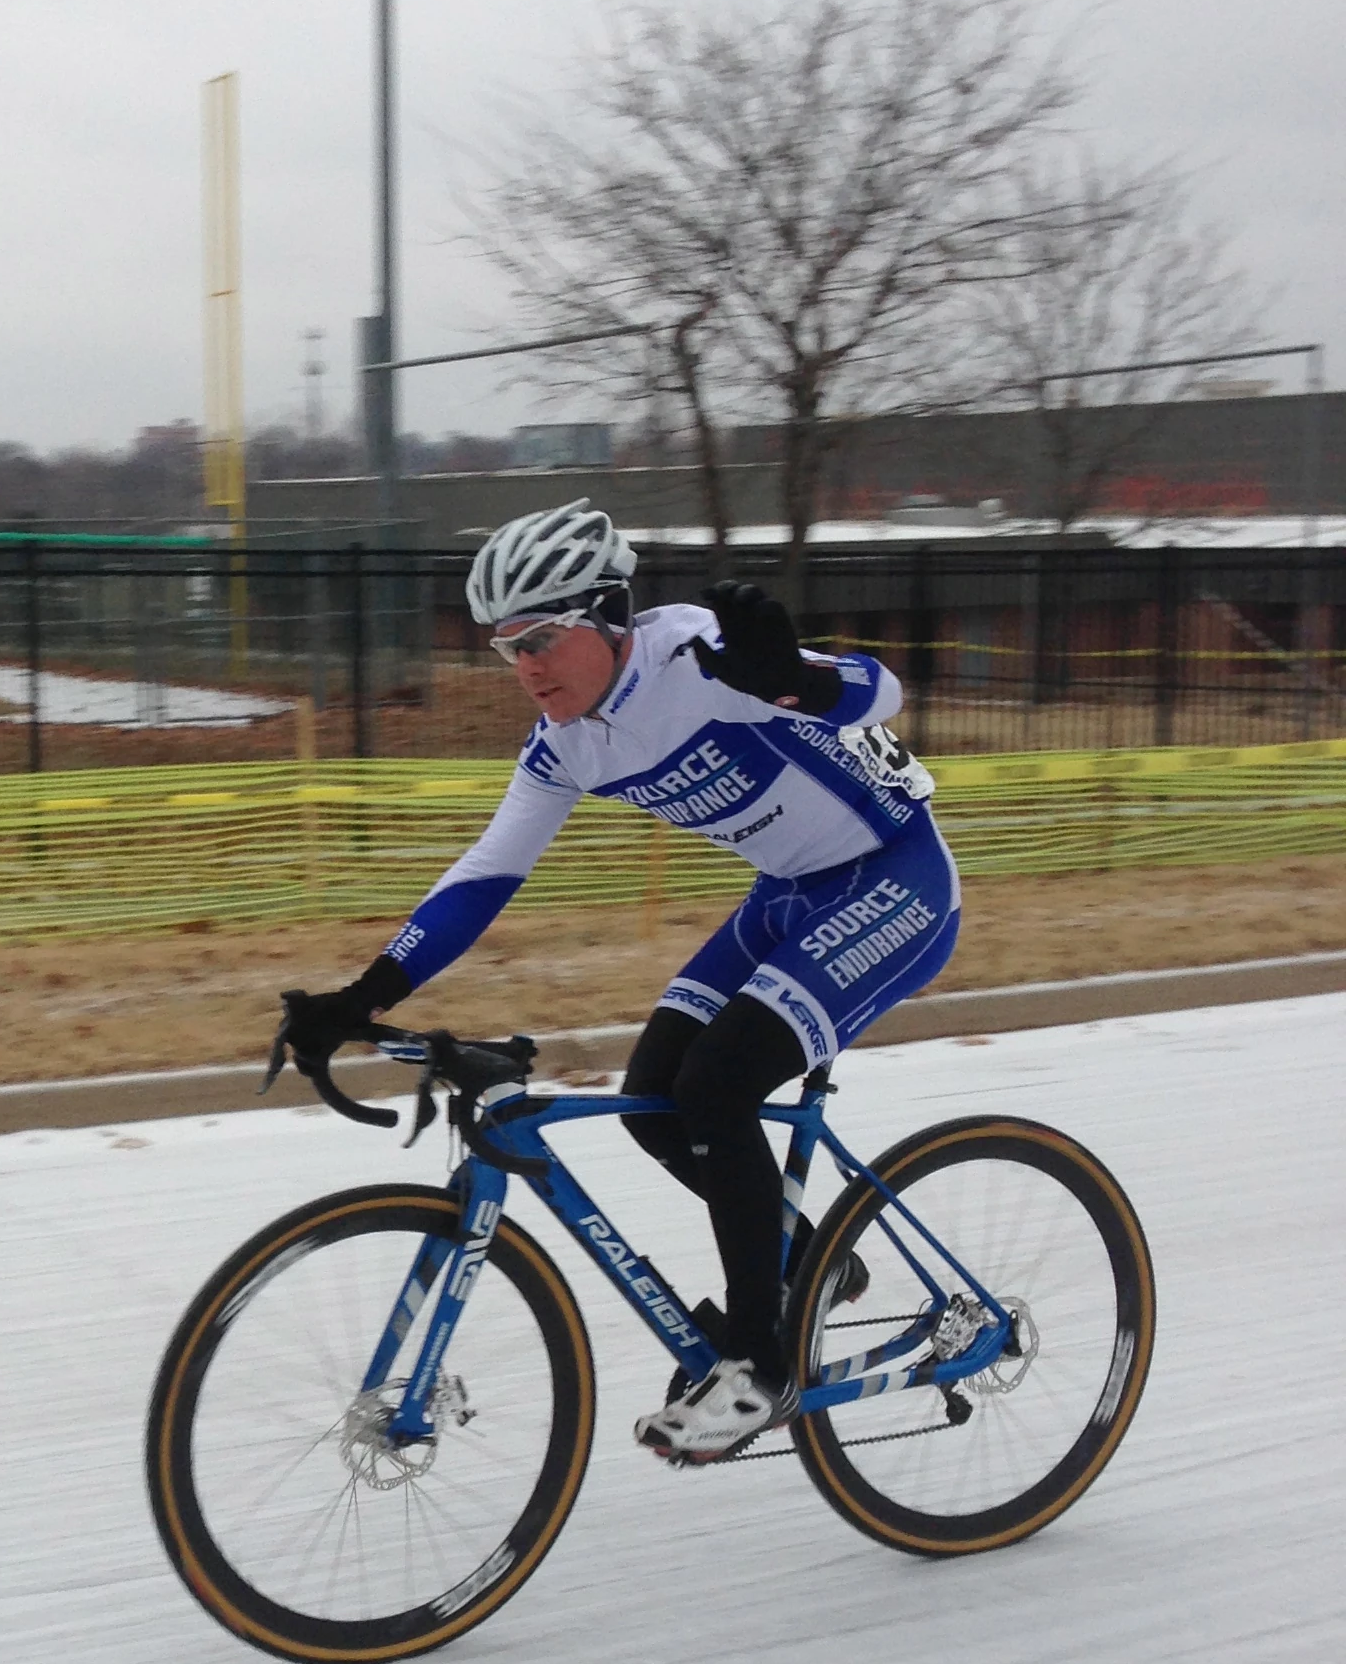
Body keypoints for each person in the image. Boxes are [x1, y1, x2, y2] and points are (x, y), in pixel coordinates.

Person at [280, 499, 960, 1463]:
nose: (526, 665)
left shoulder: (697, 659)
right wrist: (364, 995)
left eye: (544, 637)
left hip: (894, 878)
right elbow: (484, 877)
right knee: (651, 1103)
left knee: (719, 1083)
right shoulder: (567, 743)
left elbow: (882, 692)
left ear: (607, 615)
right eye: (506, 646)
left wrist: (794, 678)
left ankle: (759, 1371)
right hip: (789, 894)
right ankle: (813, 1262)